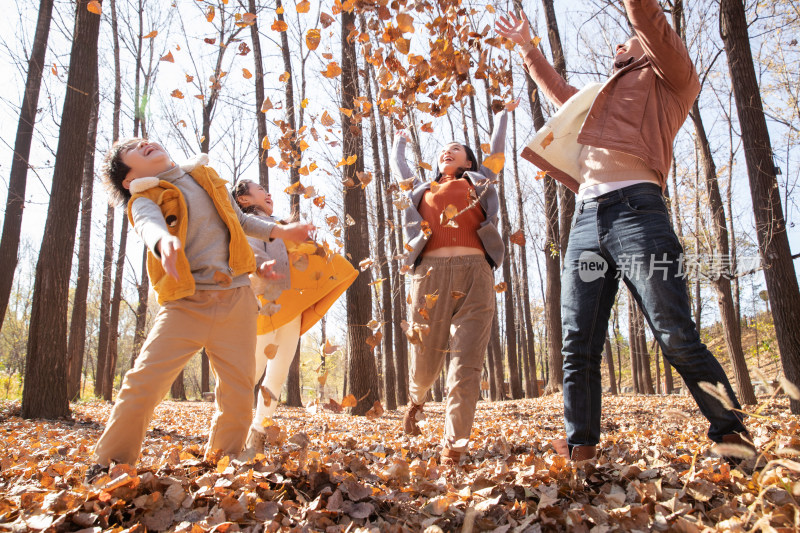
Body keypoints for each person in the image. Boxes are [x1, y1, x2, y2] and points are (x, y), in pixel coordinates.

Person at [496, 0, 753, 462]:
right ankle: (582, 448)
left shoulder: (671, 80)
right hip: (586, 222)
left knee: (674, 332)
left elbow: (648, 21)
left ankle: (731, 432)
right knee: (579, 340)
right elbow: (561, 93)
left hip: (638, 213)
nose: (618, 43)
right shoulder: (601, 97)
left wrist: (641, 14)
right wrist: (528, 48)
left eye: (626, 38)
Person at [87, 140, 312, 480]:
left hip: (236, 300)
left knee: (237, 392)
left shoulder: (205, 177)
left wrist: (281, 230)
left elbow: (239, 222)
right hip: (186, 304)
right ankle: (108, 465)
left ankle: (222, 463)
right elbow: (148, 224)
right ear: (128, 178)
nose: (144, 143)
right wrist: (164, 243)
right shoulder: (145, 197)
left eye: (145, 139)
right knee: (144, 383)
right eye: (132, 148)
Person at [391, 103, 515, 465]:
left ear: (470, 161)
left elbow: (496, 151)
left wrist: (503, 114)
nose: (448, 150)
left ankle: (454, 447)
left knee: (467, 363)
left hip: (477, 273)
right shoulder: (422, 189)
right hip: (428, 274)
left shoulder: (481, 183)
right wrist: (400, 141)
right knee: (425, 361)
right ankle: (416, 401)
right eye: (444, 147)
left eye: (457, 147)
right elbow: (401, 167)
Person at [231, 180, 357, 458]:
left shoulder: (282, 223)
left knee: (277, 375)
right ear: (243, 199)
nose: (267, 192)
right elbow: (249, 249)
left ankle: (258, 433)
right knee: (251, 371)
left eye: (267, 188)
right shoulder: (248, 222)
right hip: (265, 305)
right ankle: (231, 431)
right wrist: (261, 264)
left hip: (291, 305)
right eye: (259, 188)